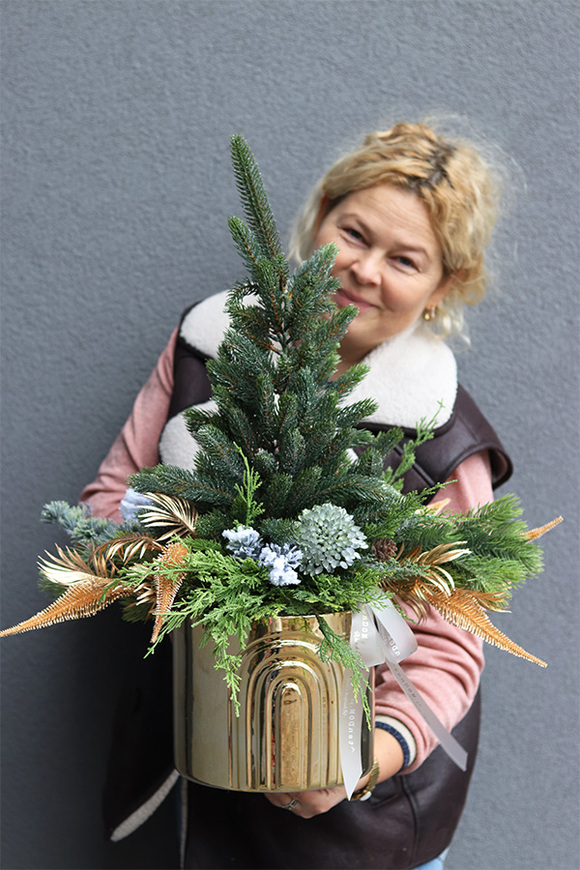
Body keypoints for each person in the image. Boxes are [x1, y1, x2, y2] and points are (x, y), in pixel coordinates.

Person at [80, 121, 512, 869]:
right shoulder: (208, 346)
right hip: (209, 765)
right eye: (353, 232)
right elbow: (108, 499)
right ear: (318, 217)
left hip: (362, 810)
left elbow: (447, 649)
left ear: (445, 287)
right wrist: (163, 562)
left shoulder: (440, 440)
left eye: (405, 260)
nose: (365, 269)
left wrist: (361, 760)